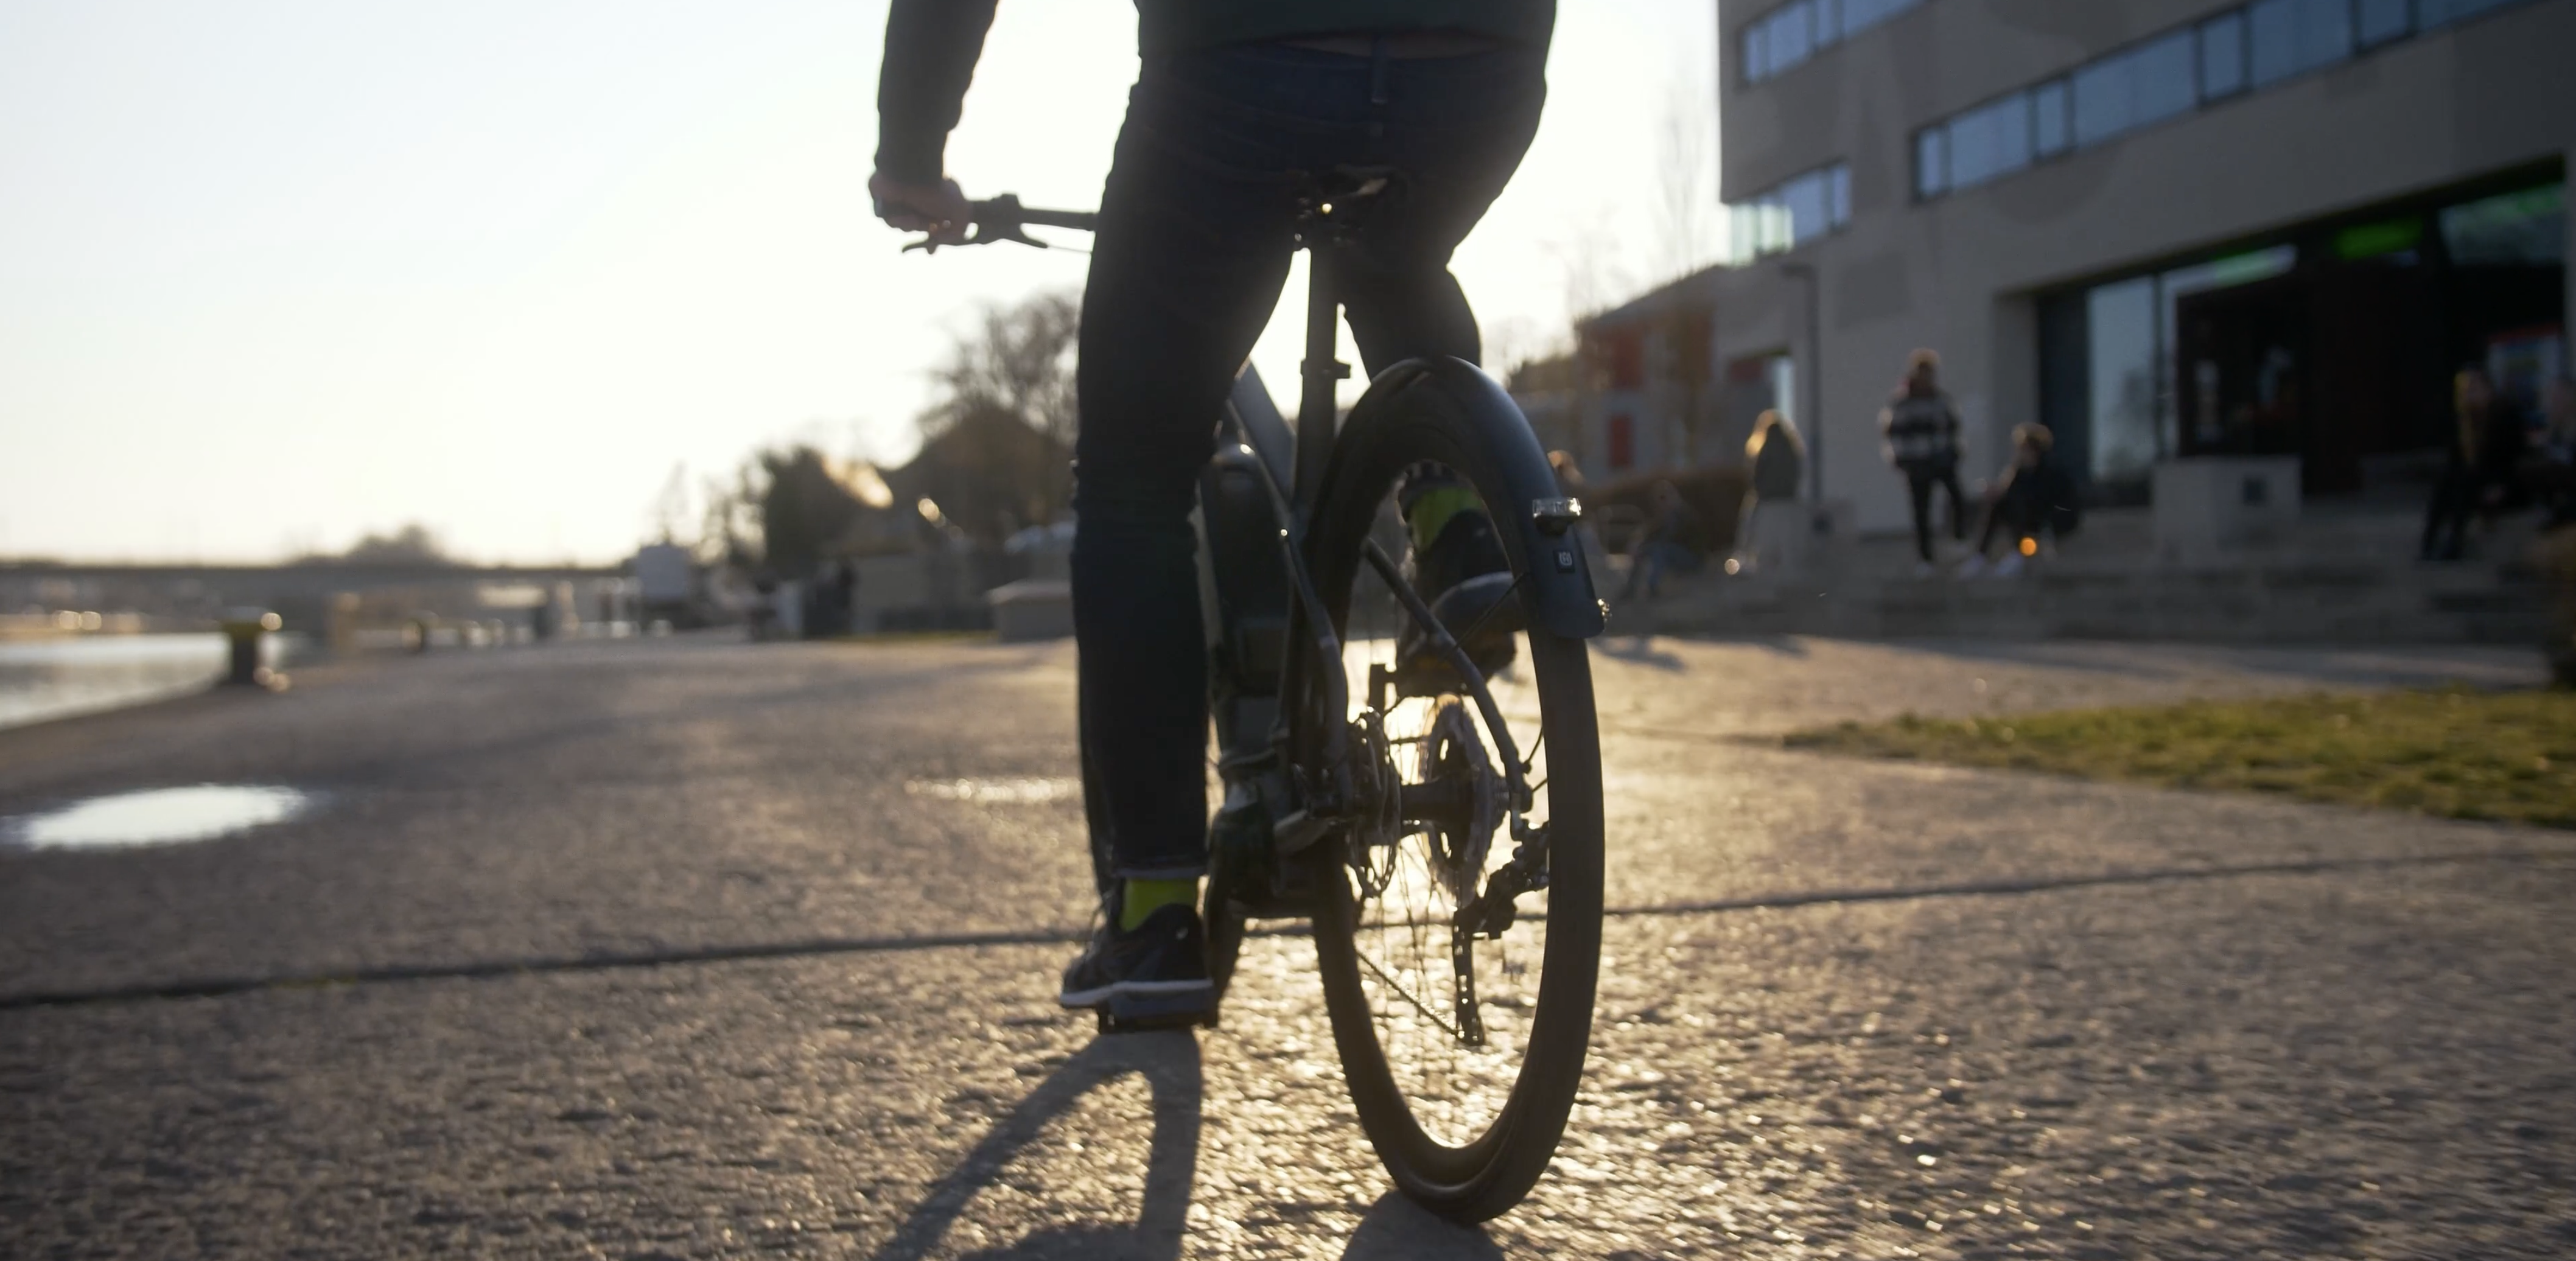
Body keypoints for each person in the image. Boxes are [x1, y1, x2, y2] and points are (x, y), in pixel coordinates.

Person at [871, 3, 1553, 1020]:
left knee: (1132, 484)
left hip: (1245, 65)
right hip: (1479, 64)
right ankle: (1458, 528)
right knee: (1395, 249)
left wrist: (912, 154)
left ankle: (1152, 914)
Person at [2420, 366, 2527, 562]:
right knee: (2448, 482)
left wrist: (2502, 486)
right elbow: (2457, 461)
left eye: (2474, 390)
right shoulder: (2466, 422)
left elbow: (2515, 459)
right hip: (2477, 483)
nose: (2469, 396)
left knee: (2465, 483)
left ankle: (2455, 542)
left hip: (2505, 486)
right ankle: (2430, 540)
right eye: (2466, 392)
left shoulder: (2506, 416)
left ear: (2488, 390)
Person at [1879, 349, 1967, 575]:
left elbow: (1953, 427)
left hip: (1940, 459)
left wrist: (1953, 453)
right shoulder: (1902, 403)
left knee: (1957, 496)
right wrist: (1901, 460)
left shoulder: (1940, 400)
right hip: (1916, 463)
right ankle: (1925, 559)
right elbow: (1893, 433)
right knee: (1921, 510)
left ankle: (1958, 538)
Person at [1958, 424, 2077, 578]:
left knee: (2021, 503)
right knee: (1998, 505)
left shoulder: (2051, 469)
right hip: (2029, 515)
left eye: (2022, 448)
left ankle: (2018, 554)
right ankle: (1980, 557)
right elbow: (2007, 492)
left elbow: (2052, 499)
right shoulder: (2021, 470)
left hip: (2054, 517)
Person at [1732, 410, 1804, 575]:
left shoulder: (1764, 448)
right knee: (1787, 543)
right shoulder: (1792, 447)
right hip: (1788, 499)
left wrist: (1758, 491)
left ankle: (1746, 561)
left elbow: (1757, 475)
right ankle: (1787, 570)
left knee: (1762, 539)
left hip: (1768, 501)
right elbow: (1797, 472)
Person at [1619, 480, 1703, 601]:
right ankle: (1630, 588)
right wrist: (1640, 544)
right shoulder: (1666, 517)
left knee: (1660, 550)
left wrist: (1648, 544)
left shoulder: (1684, 515)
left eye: (1664, 499)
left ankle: (1653, 588)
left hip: (1692, 559)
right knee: (1649, 550)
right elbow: (1651, 534)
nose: (1662, 504)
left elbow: (1672, 538)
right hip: (1675, 554)